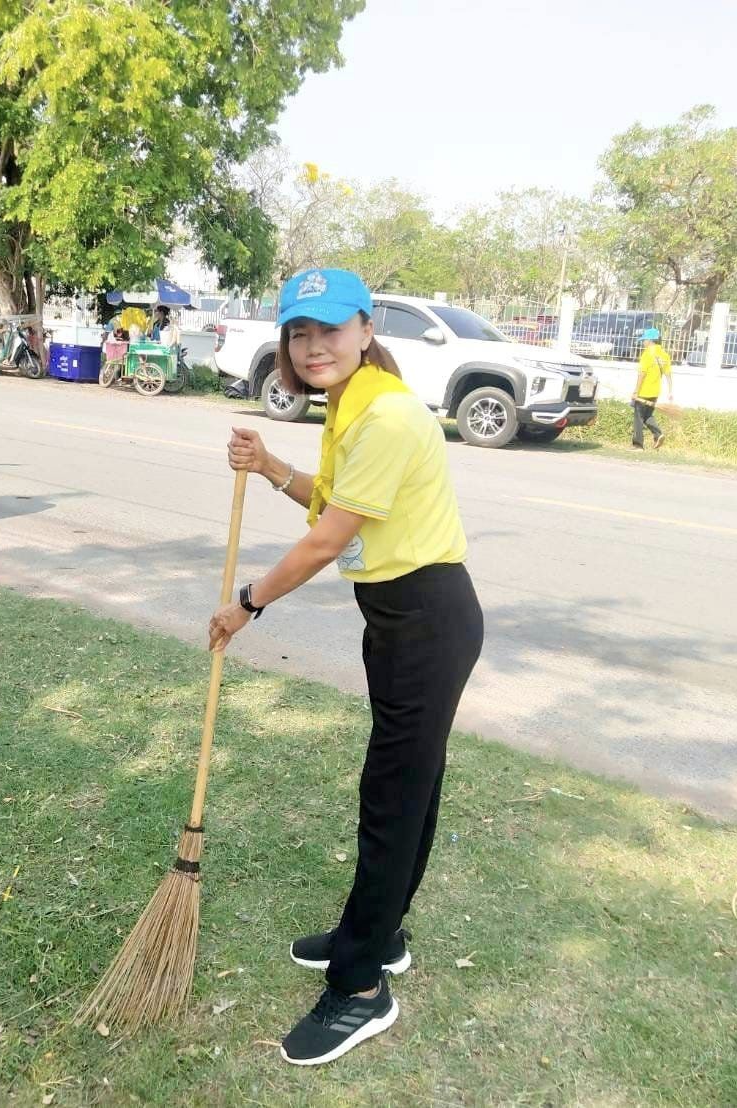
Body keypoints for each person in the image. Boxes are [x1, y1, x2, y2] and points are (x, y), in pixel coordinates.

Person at [207, 268, 483, 1067]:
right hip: (402, 618)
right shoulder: (353, 405)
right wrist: (269, 467)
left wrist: (248, 602)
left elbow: (328, 542)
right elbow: (331, 507)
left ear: (367, 329)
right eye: (300, 332)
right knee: (408, 785)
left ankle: (361, 986)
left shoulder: (387, 418)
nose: (313, 346)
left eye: (330, 329)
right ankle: (381, 932)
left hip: (426, 619)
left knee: (393, 796)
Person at [632, 327, 672, 449]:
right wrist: (670, 391)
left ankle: (638, 445)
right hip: (655, 392)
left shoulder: (647, 354)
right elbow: (668, 375)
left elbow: (642, 374)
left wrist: (635, 392)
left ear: (650, 340)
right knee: (648, 415)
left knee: (638, 418)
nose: (643, 343)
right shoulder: (664, 355)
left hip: (644, 391)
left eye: (644, 340)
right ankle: (658, 434)